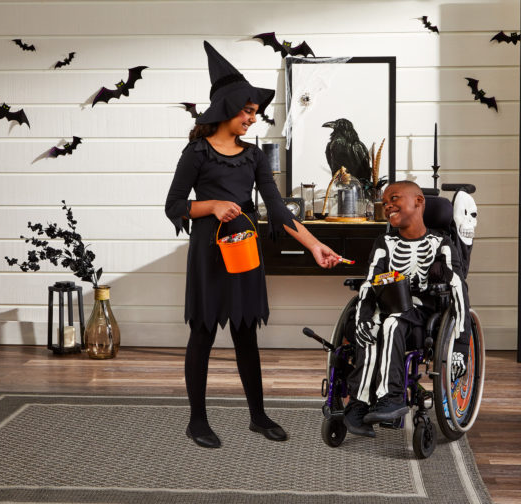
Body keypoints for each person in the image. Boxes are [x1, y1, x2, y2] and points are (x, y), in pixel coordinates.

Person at [165, 41, 340, 449]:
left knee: (246, 334)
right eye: (247, 110)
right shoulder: (196, 154)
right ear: (226, 108)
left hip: (245, 249)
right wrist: (212, 205)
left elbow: (278, 210)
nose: (253, 117)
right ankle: (197, 421)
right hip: (210, 252)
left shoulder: (254, 156)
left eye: (254, 111)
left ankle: (257, 416)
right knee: (203, 335)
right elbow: (174, 205)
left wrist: (315, 246)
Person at [343, 181, 469, 438]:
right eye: (385, 202)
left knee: (391, 323)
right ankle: (359, 401)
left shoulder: (441, 243)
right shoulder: (384, 242)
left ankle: (392, 396)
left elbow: (458, 287)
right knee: (370, 326)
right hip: (387, 305)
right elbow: (370, 281)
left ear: (419, 202)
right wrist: (363, 317)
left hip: (422, 315)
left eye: (395, 198)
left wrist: (461, 348)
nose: (387, 205)